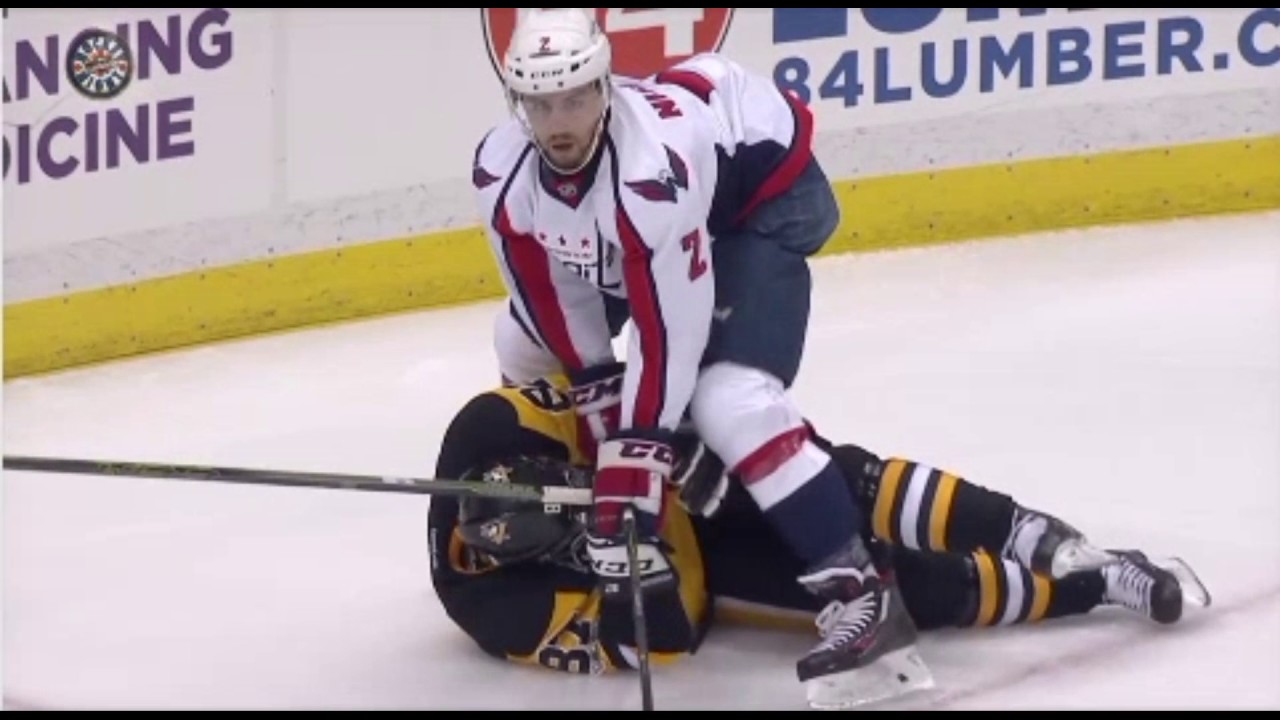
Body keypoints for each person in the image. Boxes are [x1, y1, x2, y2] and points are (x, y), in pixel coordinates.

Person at [469, 8, 1121, 699]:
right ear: (517, 105)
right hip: (667, 217)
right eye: (540, 105)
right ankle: (579, 503)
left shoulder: (651, 170)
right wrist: (611, 449)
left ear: (605, 87)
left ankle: (860, 594)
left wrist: (635, 463)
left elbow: (669, 334)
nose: (559, 122)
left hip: (765, 203)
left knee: (727, 400)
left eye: (574, 98)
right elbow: (553, 303)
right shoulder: (500, 169)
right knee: (520, 340)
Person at [427, 374, 1211, 709]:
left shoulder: (492, 425)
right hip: (702, 562)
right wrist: (642, 569)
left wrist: (664, 455)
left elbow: (618, 387)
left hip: (682, 461)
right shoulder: (502, 615)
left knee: (847, 486)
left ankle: (1034, 531)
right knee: (918, 592)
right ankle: (1105, 579)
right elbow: (670, 635)